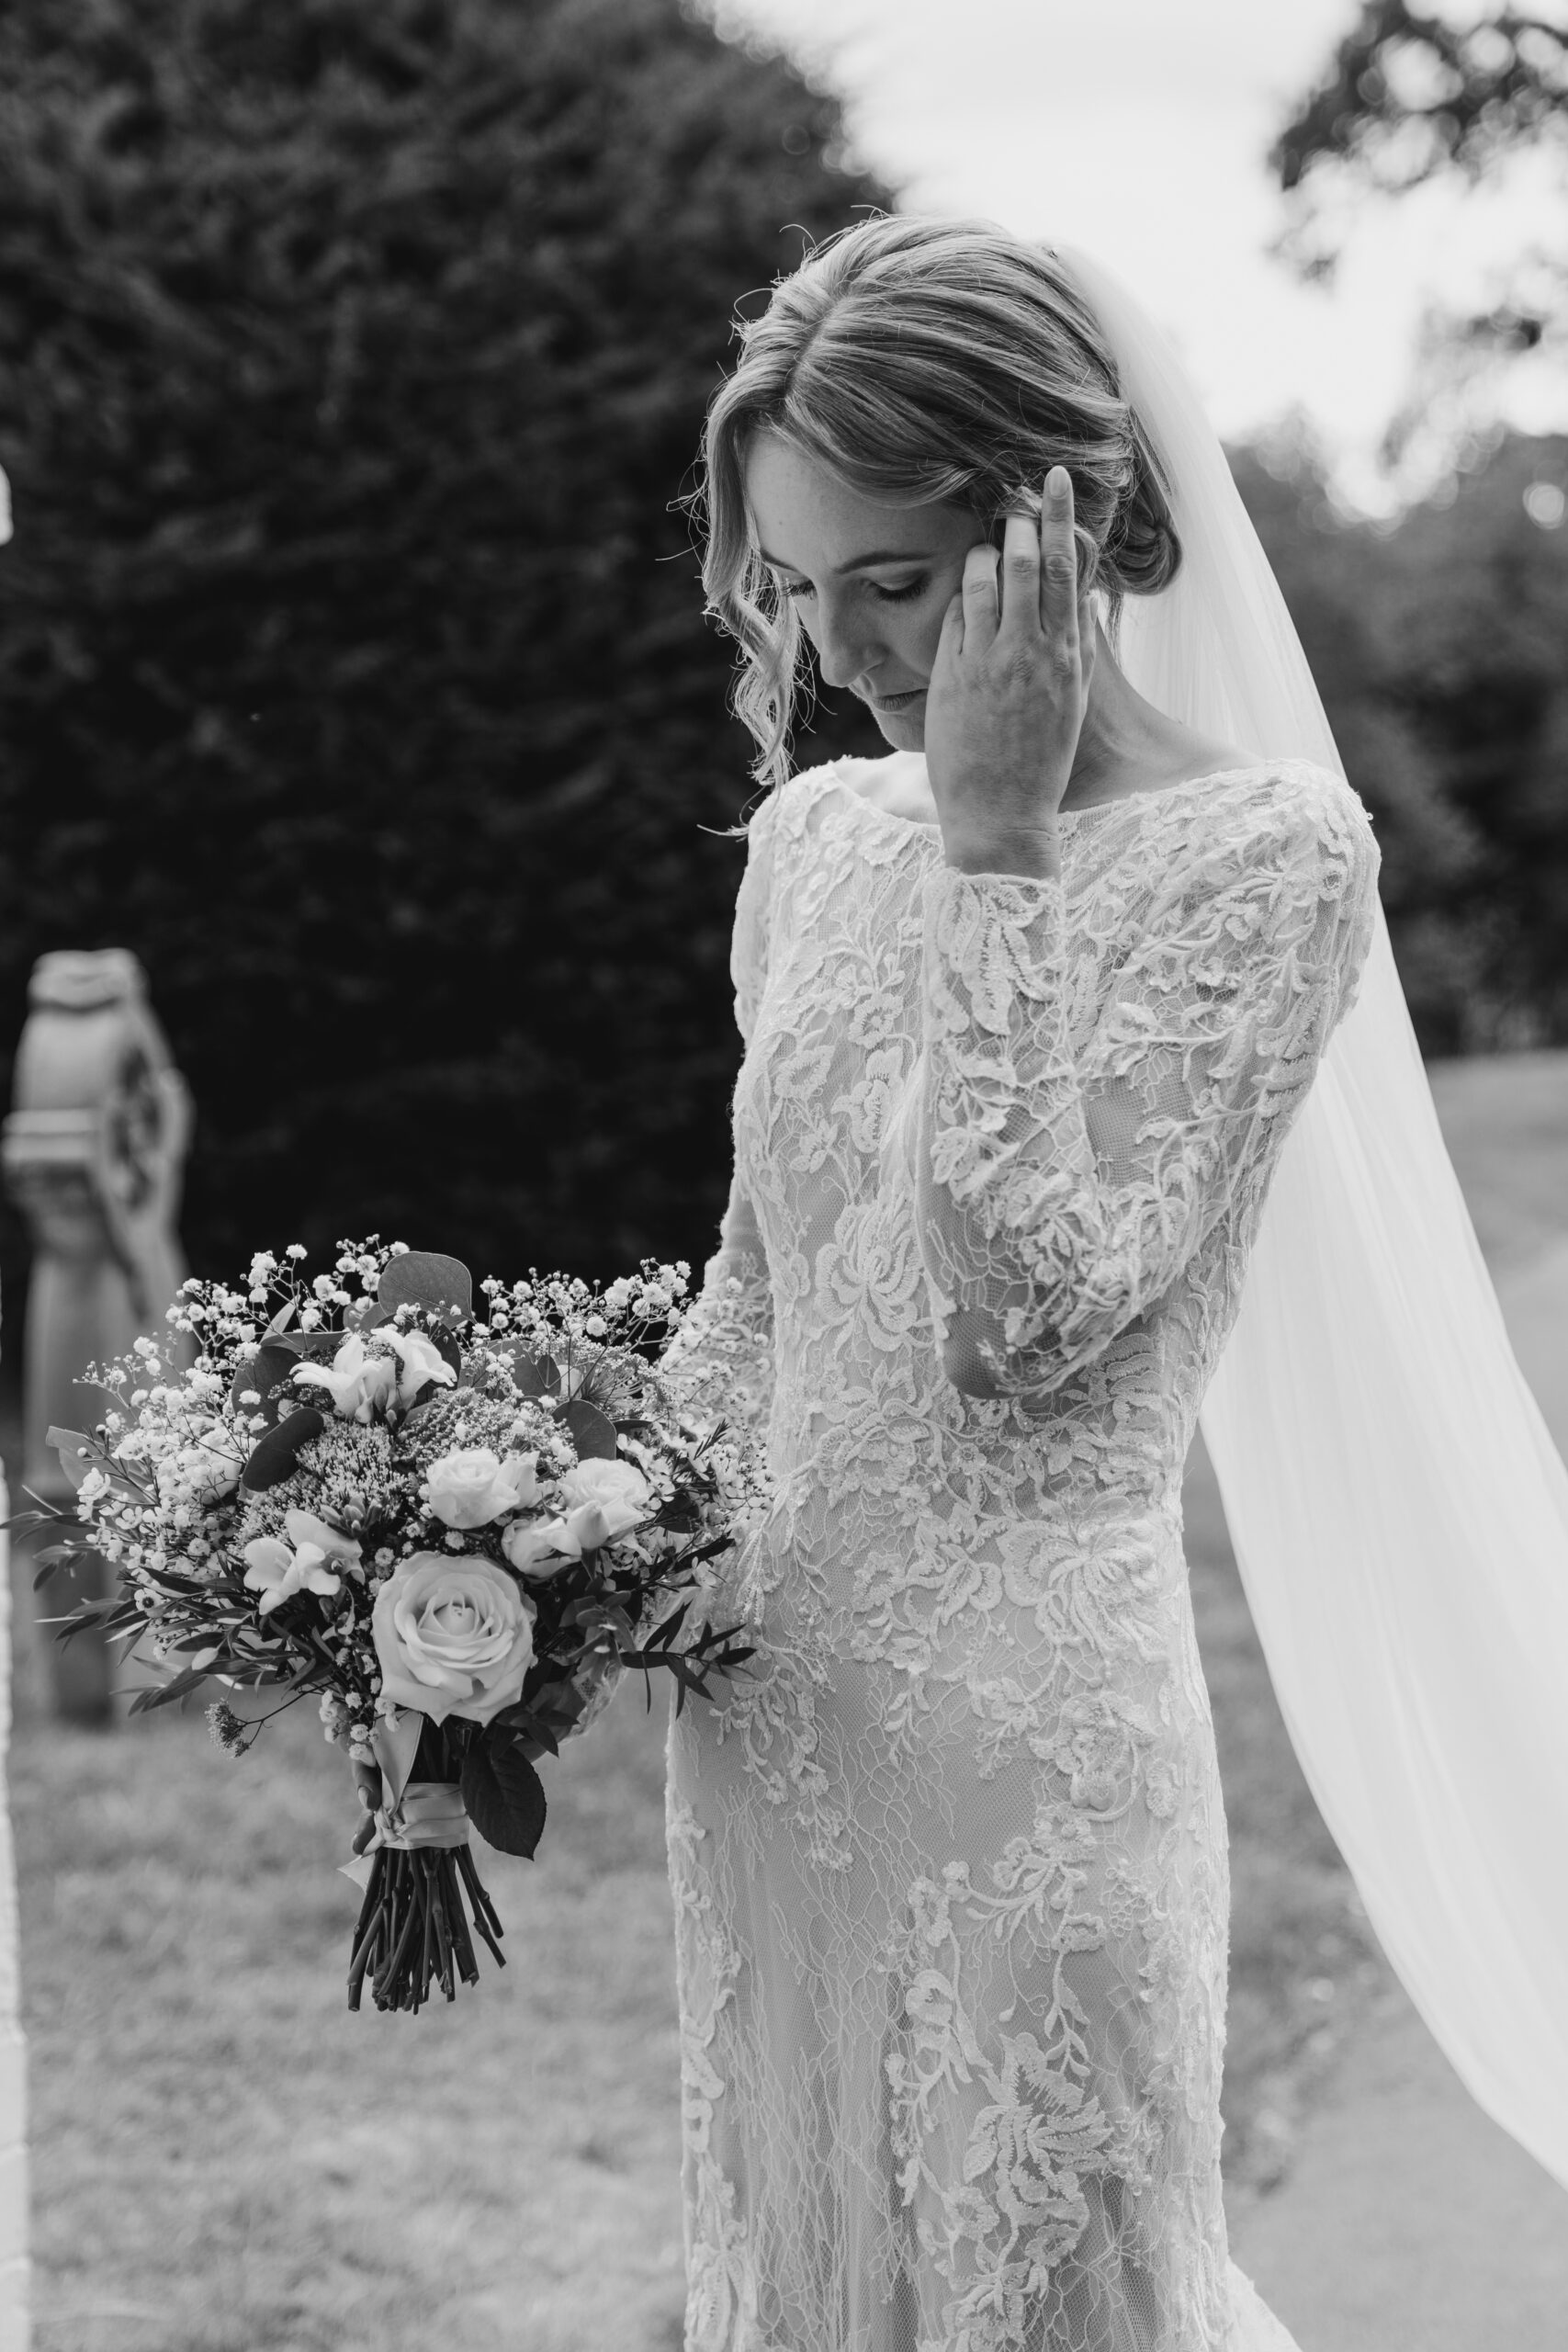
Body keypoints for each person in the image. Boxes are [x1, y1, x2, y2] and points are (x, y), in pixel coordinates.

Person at [657, 214, 1378, 2351]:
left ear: (1058, 527)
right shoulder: (812, 845)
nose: (842, 645)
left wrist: (994, 847)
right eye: (796, 587)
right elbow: (759, 1284)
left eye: (894, 581)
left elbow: (1021, 1312)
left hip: (1029, 1757)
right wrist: (559, 1542)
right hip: (767, 1726)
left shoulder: (1270, 859)